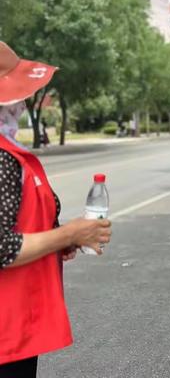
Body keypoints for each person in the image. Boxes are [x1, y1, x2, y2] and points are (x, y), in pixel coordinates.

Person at [0, 41, 112, 377]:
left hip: (16, 318)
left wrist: (61, 240)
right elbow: (2, 246)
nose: (21, 104)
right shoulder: (2, 159)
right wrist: (71, 232)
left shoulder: (10, 151)